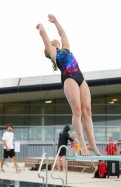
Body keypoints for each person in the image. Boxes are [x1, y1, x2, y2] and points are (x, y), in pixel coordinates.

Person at [36, 14, 101, 156]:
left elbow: (62, 33)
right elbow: (43, 35)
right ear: (49, 49)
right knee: (77, 112)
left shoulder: (66, 47)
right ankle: (83, 146)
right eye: (51, 41)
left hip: (80, 78)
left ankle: (92, 144)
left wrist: (55, 21)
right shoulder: (54, 53)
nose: (54, 39)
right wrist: (40, 26)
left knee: (88, 112)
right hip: (69, 79)